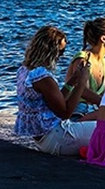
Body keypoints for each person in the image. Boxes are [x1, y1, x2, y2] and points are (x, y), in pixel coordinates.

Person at [14, 25, 95, 155]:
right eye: (61, 52)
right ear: (50, 51)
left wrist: (72, 81)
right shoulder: (42, 77)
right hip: (58, 138)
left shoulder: (24, 70)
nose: (61, 56)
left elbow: (55, 104)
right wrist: (82, 82)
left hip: (43, 139)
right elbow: (65, 113)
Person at [64, 17, 105, 114]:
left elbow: (102, 93)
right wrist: (104, 103)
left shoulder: (103, 62)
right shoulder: (83, 59)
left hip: (93, 110)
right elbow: (81, 90)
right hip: (78, 110)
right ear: (104, 39)